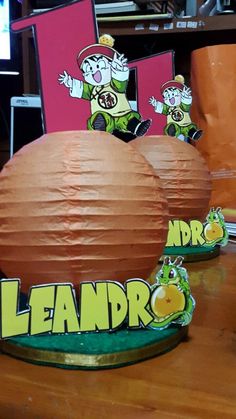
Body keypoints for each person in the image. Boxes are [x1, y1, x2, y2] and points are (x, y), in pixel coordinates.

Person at [59, 34, 151, 138]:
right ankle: (100, 130)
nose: (95, 72)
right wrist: (70, 82)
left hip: (122, 114)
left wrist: (119, 70)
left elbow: (120, 80)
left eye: (99, 66)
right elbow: (80, 88)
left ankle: (137, 127)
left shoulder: (115, 84)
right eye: (89, 68)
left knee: (128, 119)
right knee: (100, 118)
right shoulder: (92, 89)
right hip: (105, 117)